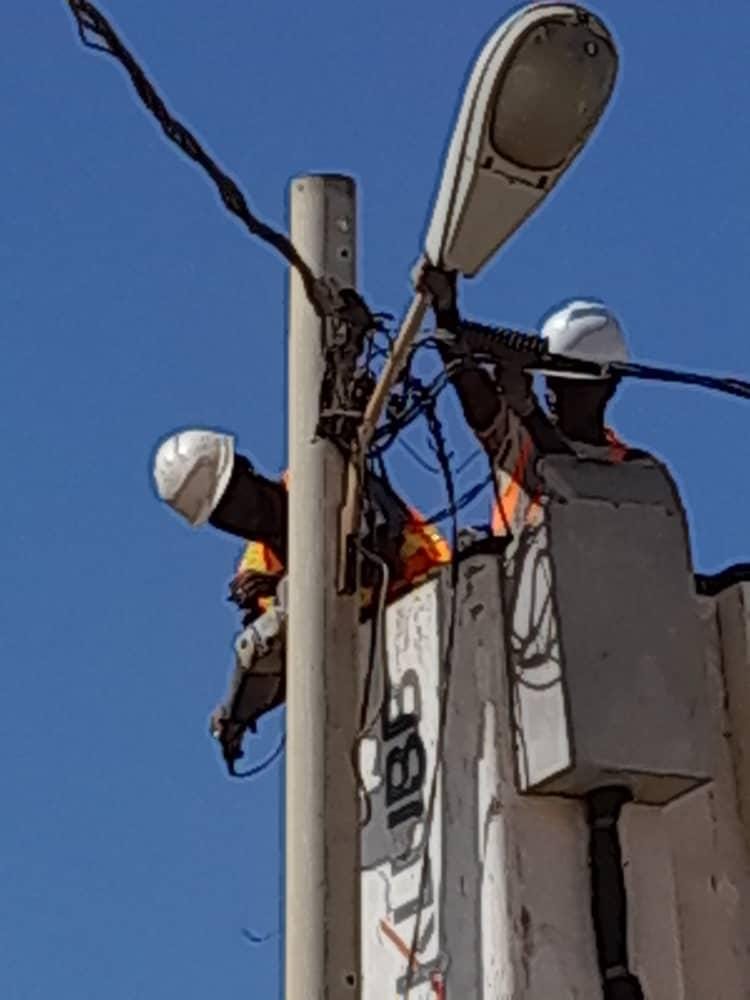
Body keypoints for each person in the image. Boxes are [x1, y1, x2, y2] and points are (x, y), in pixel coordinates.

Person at [151, 430, 450, 770]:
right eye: (227, 516)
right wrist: (237, 714)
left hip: (436, 602)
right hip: (377, 668)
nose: (243, 518)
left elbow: (376, 560)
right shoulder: (256, 565)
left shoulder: (320, 479)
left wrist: (282, 584)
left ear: (247, 470)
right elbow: (282, 659)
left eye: (239, 500)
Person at [415, 264, 642, 551]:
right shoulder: (521, 444)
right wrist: (446, 314)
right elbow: (477, 398)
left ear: (609, 386)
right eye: (550, 380)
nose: (552, 392)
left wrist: (528, 410)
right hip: (521, 589)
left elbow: (578, 487)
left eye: (568, 385)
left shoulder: (634, 470)